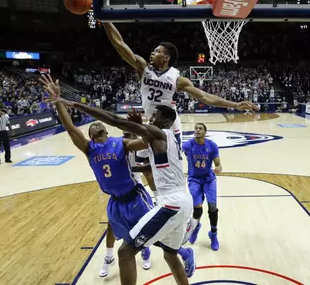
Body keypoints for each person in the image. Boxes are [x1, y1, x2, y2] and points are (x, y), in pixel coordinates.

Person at [41, 76, 196, 285]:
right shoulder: (90, 149)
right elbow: (70, 128)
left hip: (146, 198)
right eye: (92, 128)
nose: (151, 118)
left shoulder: (124, 142)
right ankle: (174, 253)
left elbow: (120, 123)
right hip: (121, 200)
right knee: (163, 252)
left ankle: (165, 252)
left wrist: (76, 104)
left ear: (106, 132)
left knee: (126, 251)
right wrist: (59, 103)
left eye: (155, 116)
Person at [102, 22, 257, 194]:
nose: (152, 53)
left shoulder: (176, 79)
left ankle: (181, 202)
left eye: (157, 51)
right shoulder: (143, 68)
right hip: (151, 123)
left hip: (170, 126)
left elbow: (205, 97)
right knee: (145, 167)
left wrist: (234, 104)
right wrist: (105, 20)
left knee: (170, 167)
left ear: (166, 58)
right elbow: (119, 44)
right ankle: (157, 198)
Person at [99, 127, 153, 278]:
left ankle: (145, 249)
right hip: (118, 197)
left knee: (144, 226)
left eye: (129, 133)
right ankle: (109, 256)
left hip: (134, 192)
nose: (126, 135)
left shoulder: (134, 148)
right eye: (124, 133)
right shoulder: (115, 147)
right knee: (110, 226)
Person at [182, 123, 222, 250]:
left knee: (212, 207)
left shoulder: (212, 145)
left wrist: (218, 167)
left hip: (208, 179)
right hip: (194, 179)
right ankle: (195, 228)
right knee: (197, 209)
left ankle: (213, 235)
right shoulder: (188, 145)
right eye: (196, 128)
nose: (197, 130)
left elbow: (217, 162)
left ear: (205, 132)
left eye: (200, 128)